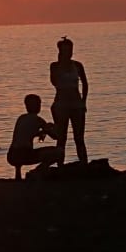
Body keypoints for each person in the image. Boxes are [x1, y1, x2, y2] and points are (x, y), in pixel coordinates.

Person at [50, 36, 89, 164]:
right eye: (65, 50)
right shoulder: (54, 66)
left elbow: (85, 83)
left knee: (79, 138)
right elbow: (54, 82)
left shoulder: (77, 65)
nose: (68, 53)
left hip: (77, 105)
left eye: (70, 50)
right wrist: (61, 65)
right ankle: (60, 165)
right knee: (61, 138)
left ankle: (84, 165)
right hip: (61, 105)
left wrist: (83, 101)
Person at [6, 93, 62, 180]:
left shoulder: (21, 118)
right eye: (39, 104)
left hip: (12, 155)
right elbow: (55, 137)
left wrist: (42, 132)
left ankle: (18, 176)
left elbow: (27, 134)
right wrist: (53, 127)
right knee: (58, 152)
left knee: (21, 149)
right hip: (25, 154)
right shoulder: (38, 120)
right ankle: (37, 171)